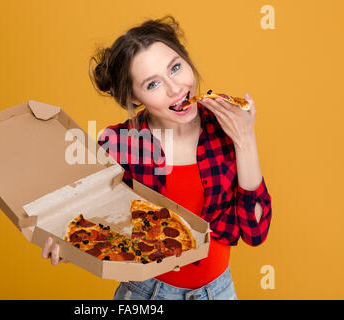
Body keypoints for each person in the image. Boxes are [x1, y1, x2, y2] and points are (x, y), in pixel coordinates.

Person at [42, 15, 272, 300]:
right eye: (152, 84)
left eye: (175, 68)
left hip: (220, 291)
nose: (175, 89)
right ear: (134, 98)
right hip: (146, 295)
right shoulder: (116, 144)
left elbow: (256, 231)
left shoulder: (228, 123)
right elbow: (92, 220)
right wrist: (69, 245)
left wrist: (246, 139)